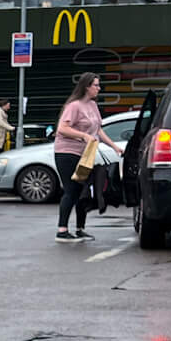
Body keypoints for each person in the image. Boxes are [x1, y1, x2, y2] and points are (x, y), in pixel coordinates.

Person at [53, 72, 105, 243]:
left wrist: (114, 147)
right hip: (67, 152)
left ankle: (80, 229)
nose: (99, 88)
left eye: (98, 85)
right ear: (87, 86)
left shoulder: (93, 105)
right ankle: (62, 231)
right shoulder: (74, 106)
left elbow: (98, 130)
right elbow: (62, 128)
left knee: (83, 191)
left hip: (85, 154)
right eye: (96, 85)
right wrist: (83, 136)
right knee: (72, 190)